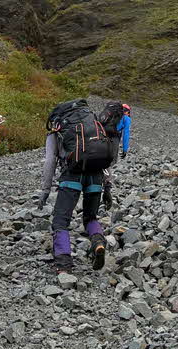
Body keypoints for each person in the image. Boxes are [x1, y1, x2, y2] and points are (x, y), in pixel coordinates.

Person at [37, 99, 119, 271]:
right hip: (96, 176)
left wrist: (45, 190)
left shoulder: (57, 131)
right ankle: (98, 243)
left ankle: (63, 262)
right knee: (90, 217)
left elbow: (50, 161)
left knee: (61, 221)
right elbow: (104, 158)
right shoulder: (95, 125)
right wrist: (108, 187)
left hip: (71, 177)